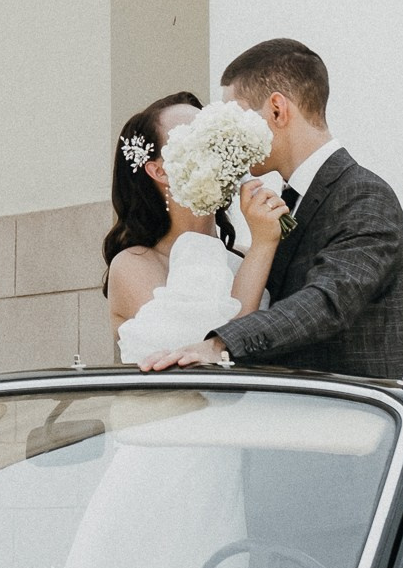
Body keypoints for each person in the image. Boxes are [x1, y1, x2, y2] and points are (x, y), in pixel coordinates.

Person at [134, 38, 403, 381]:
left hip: (353, 423)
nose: (228, 138)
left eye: (235, 116)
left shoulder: (365, 197)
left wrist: (220, 345)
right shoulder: (284, 200)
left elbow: (325, 303)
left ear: (278, 110)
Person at [103, 92, 275, 364]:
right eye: (195, 136)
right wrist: (264, 246)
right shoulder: (134, 264)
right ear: (159, 171)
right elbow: (213, 348)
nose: (214, 145)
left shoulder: (246, 255)